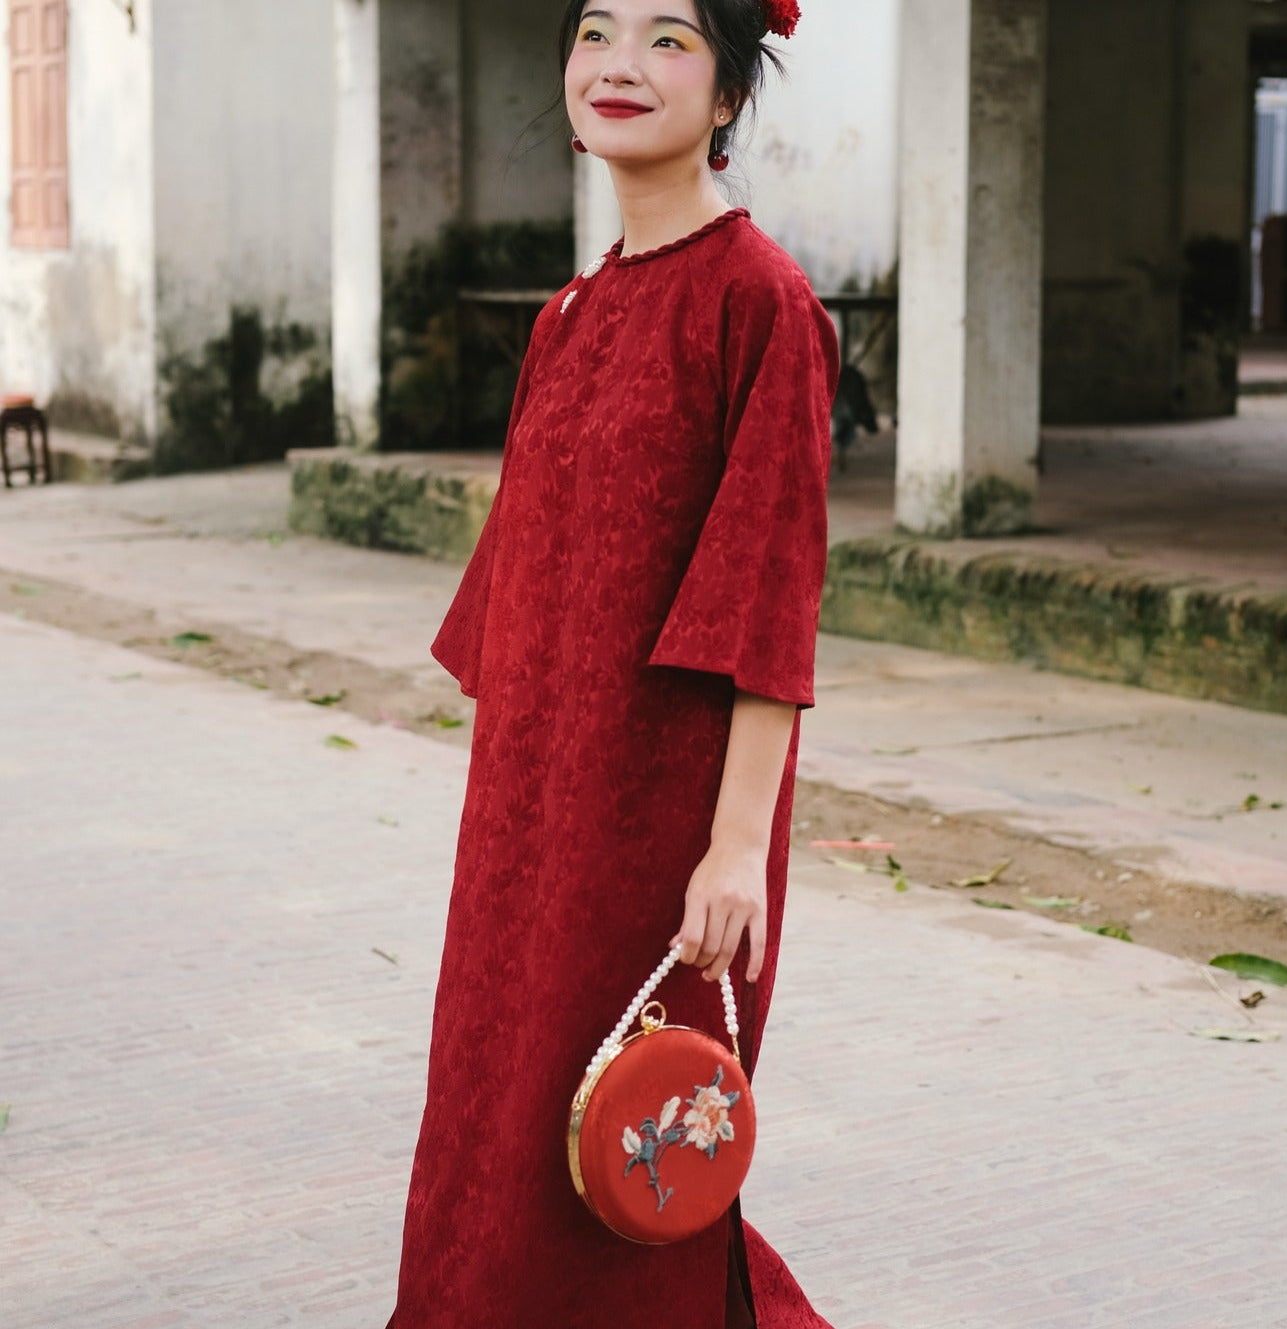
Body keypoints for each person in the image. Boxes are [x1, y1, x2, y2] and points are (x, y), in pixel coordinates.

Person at [386, 0, 839, 1324]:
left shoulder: (761, 304)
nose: (618, 66)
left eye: (667, 39)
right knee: (493, 1125)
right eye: (594, 33)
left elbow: (768, 595)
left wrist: (732, 848)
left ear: (728, 98)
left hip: (661, 830)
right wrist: (506, 804)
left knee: (621, 1150)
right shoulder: (568, 316)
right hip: (525, 825)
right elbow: (530, 592)